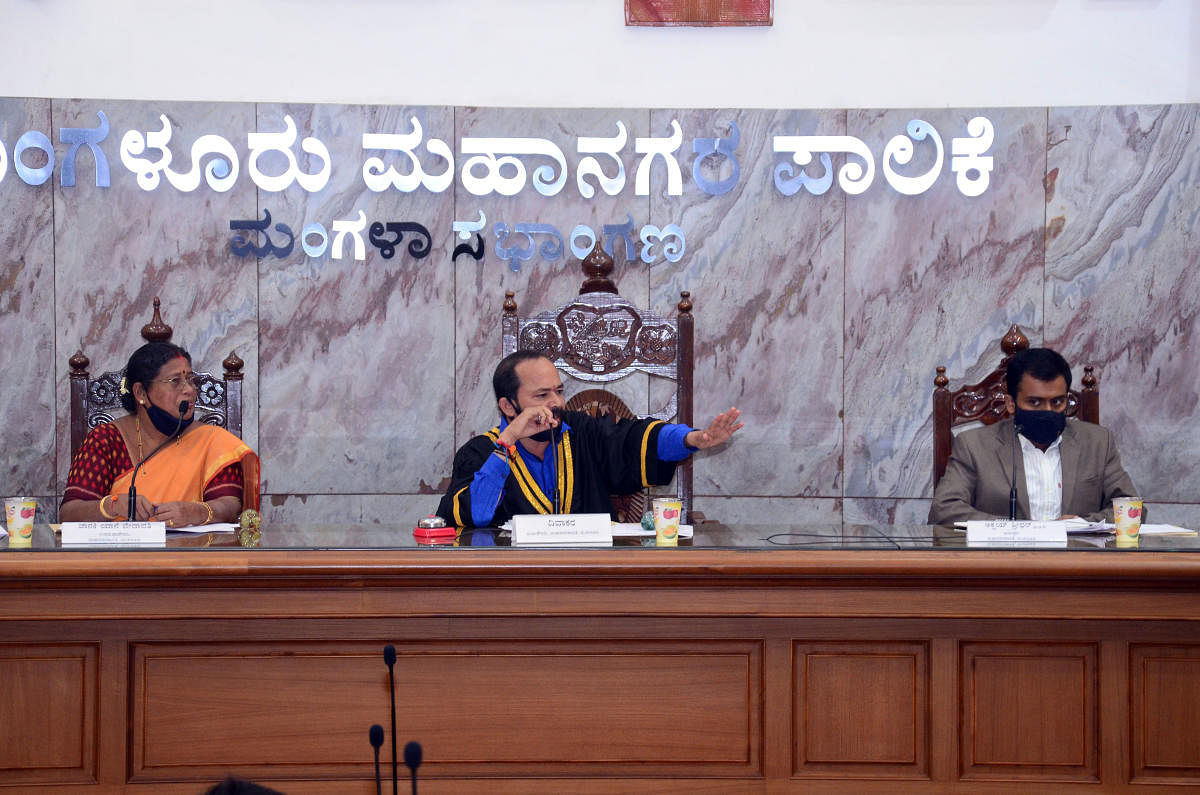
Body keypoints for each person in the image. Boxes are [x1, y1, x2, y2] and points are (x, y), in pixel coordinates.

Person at [437, 350, 742, 527]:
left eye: (559, 391)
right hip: (514, 592)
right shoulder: (480, 453)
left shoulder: (583, 432)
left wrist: (693, 439)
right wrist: (509, 440)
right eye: (542, 395)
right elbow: (474, 514)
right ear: (508, 405)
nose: (555, 402)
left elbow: (635, 440)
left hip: (591, 585)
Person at [928, 347, 1138, 525]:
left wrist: (1080, 525)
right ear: (1011, 404)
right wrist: (1018, 530)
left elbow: (1131, 509)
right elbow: (944, 511)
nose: (1047, 411)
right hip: (1002, 565)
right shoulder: (974, 446)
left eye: (1057, 402)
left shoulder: (1098, 443)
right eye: (1035, 402)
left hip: (1076, 565)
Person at [60, 342, 260, 527]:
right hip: (120, 560)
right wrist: (112, 506)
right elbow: (69, 514)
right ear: (140, 393)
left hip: (192, 560)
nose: (189, 390)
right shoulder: (107, 439)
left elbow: (232, 505)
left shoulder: (213, 441)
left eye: (190, 380)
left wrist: (198, 512)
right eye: (175, 381)